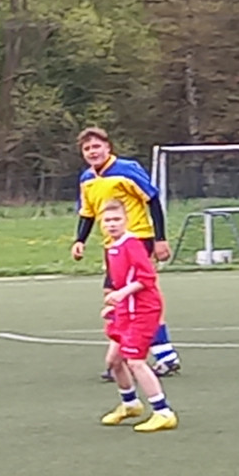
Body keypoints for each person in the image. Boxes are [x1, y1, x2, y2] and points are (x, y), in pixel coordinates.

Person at [69, 126, 179, 377]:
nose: (92, 152)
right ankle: (147, 355)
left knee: (133, 298)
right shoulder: (87, 179)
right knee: (114, 297)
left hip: (137, 239)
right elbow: (88, 213)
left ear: (108, 147)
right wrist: (80, 240)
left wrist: (160, 239)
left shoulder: (126, 170)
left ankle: (144, 356)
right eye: (87, 148)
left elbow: (152, 200)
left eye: (97, 146)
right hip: (112, 245)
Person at [97, 199, 176, 432]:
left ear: (126, 220)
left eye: (117, 219)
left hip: (143, 310)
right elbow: (122, 280)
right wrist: (115, 305)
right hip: (126, 309)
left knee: (135, 361)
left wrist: (121, 294)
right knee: (114, 361)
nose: (112, 224)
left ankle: (163, 412)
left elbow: (146, 278)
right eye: (107, 220)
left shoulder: (132, 244)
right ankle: (130, 404)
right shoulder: (112, 247)